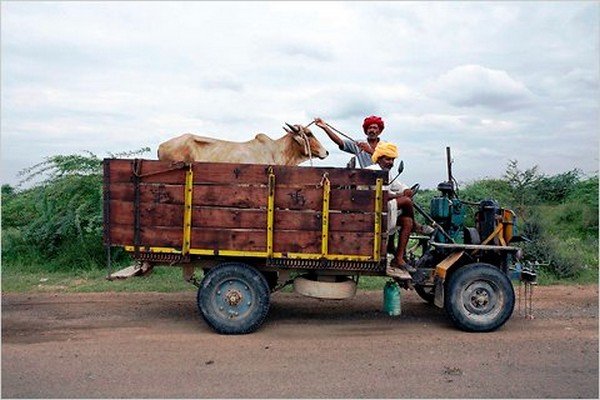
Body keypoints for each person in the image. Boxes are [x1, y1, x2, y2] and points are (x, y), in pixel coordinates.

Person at [366, 142, 432, 279]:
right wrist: (402, 196)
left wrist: (407, 191)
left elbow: (399, 186)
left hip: (385, 212)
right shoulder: (373, 170)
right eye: (387, 159)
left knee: (407, 221)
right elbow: (380, 195)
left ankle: (399, 258)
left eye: (392, 159)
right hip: (373, 213)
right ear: (379, 158)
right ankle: (417, 226)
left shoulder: (387, 174)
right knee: (406, 201)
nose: (390, 162)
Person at [314, 116, 385, 168]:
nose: (372, 130)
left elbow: (387, 162)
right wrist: (325, 128)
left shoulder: (386, 145)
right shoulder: (360, 144)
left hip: (384, 178)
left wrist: (369, 150)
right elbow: (340, 142)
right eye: (370, 128)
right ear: (366, 131)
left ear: (379, 131)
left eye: (375, 128)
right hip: (366, 179)